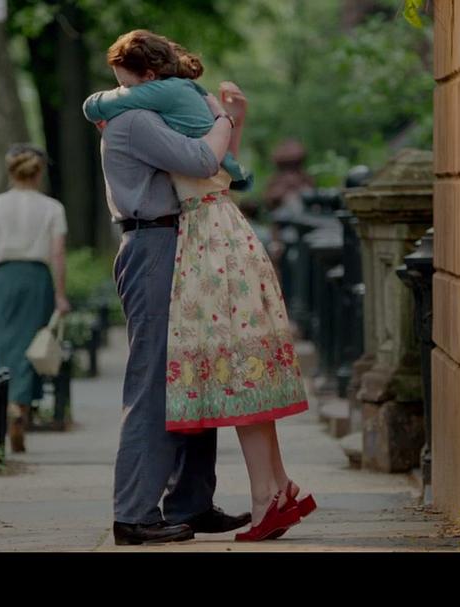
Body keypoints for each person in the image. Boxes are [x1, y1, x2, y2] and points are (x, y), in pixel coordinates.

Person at [90, 29, 316, 543]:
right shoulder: (136, 118)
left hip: (179, 240)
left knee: (193, 373)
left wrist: (226, 120)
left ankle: (191, 502)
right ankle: (134, 513)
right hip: (154, 242)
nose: (121, 90)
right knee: (154, 382)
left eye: (125, 80)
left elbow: (217, 165)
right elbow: (200, 161)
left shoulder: (156, 109)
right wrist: (224, 118)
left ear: (149, 74)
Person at [0, 144, 70, 453]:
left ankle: (3, 407)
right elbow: (57, 253)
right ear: (38, 173)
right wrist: (60, 295)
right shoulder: (52, 208)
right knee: (31, 345)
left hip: (3, 278)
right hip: (36, 280)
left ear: (11, 171)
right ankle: (20, 406)